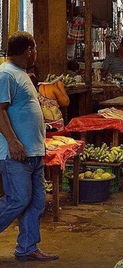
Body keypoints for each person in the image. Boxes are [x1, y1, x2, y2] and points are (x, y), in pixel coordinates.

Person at [0, 31, 59, 262]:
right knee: (18, 199)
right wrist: (13, 141)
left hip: (33, 152)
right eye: (34, 49)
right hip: (15, 153)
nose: (35, 53)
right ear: (29, 50)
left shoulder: (21, 73)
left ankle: (27, 247)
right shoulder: (6, 74)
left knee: (35, 203)